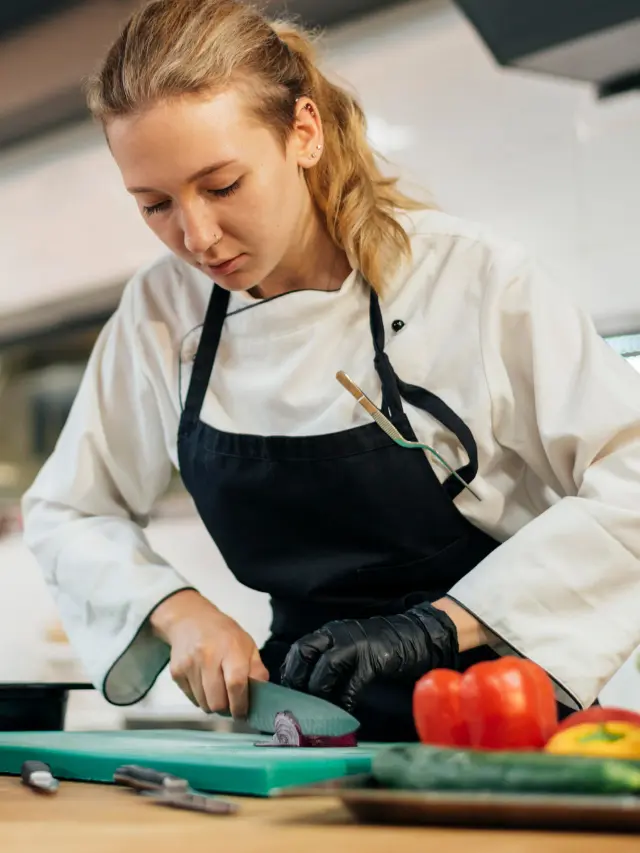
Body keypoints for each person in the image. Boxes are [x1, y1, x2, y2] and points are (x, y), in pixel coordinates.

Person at [21, 0, 640, 741]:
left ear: (303, 133)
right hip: (299, 730)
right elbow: (67, 508)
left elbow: (630, 480)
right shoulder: (163, 308)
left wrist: (435, 630)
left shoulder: (467, 279)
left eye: (222, 186)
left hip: (492, 718)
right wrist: (176, 609)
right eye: (154, 204)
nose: (197, 236)